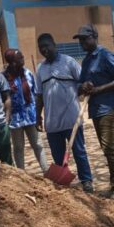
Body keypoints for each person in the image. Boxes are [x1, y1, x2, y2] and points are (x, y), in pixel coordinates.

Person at [75, 24, 114, 202]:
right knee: (106, 149)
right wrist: (83, 86)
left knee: (109, 148)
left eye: (85, 39)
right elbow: (80, 85)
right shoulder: (87, 61)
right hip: (95, 109)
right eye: (80, 40)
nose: (82, 43)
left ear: (94, 37)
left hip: (110, 107)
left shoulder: (105, 55)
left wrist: (99, 89)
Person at [35, 33, 94, 193]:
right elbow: (39, 95)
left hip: (72, 119)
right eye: (41, 48)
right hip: (52, 122)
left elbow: (82, 82)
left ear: (54, 45)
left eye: (47, 46)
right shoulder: (40, 69)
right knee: (58, 155)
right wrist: (37, 116)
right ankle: (63, 182)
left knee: (79, 151)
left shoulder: (69, 62)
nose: (44, 50)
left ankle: (86, 181)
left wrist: (84, 86)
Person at [3, 49, 49, 173]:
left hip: (30, 116)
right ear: (12, 62)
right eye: (20, 58)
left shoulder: (28, 74)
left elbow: (35, 94)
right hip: (15, 119)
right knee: (18, 147)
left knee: (38, 144)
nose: (23, 60)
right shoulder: (4, 78)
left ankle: (46, 171)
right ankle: (21, 173)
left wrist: (38, 114)